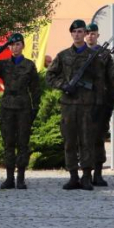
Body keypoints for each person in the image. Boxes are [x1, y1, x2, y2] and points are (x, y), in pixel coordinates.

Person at [46, 19, 106, 191]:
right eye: (75, 32)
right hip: (69, 105)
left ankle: (87, 176)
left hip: (87, 105)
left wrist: (98, 105)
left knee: (87, 141)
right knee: (70, 141)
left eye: (81, 31)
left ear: (86, 34)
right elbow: (50, 76)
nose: (78, 34)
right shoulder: (63, 55)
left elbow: (100, 82)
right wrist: (63, 85)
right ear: (71, 34)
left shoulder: (93, 56)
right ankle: (73, 175)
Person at [0, 32, 41, 190]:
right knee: (8, 143)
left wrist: (35, 108)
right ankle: (9, 178)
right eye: (12, 45)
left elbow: (35, 89)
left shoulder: (29, 65)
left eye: (17, 44)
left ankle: (21, 178)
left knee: (23, 143)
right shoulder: (4, 64)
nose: (15, 47)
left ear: (23, 46)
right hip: (7, 106)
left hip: (23, 107)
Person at [84, 23, 114, 186]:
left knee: (98, 139)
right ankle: (85, 174)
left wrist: (111, 101)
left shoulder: (105, 54)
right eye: (88, 33)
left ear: (98, 35)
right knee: (84, 139)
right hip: (82, 103)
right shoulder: (78, 53)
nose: (90, 36)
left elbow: (111, 79)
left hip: (100, 102)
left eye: (93, 33)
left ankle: (98, 173)